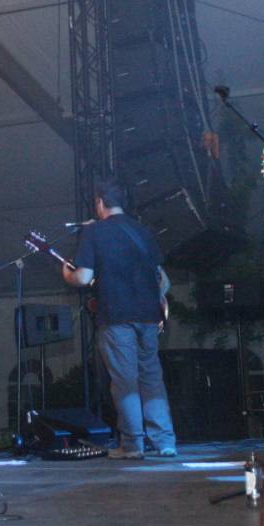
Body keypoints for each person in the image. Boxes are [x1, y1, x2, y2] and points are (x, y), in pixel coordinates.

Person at [63, 179, 177, 460]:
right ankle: (165, 442)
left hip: (116, 316)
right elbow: (163, 280)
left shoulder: (93, 232)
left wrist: (67, 273)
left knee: (125, 381)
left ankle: (133, 445)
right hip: (149, 316)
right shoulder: (143, 231)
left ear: (100, 202)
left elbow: (84, 278)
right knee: (151, 378)